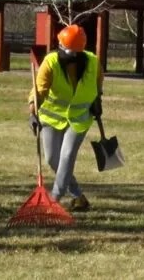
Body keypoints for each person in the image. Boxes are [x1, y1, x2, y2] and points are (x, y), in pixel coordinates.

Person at [28, 24, 103, 212]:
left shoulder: (93, 63)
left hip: (79, 119)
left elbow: (98, 84)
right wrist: (32, 112)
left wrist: (97, 100)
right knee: (53, 159)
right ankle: (78, 196)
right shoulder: (51, 62)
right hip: (51, 118)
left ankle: (54, 199)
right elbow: (39, 91)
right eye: (63, 48)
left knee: (67, 156)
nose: (66, 53)